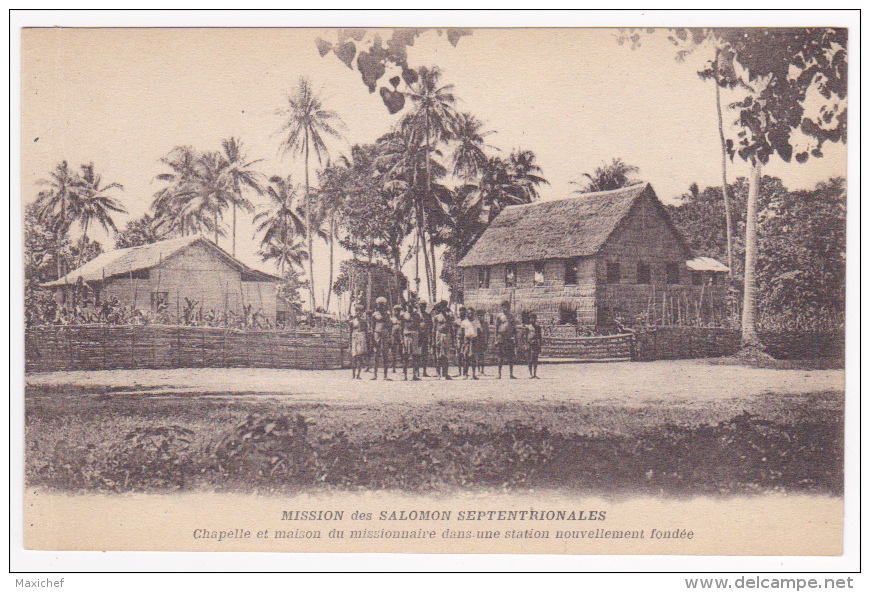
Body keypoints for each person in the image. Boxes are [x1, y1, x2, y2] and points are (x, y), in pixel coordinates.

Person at [370, 297, 391, 381]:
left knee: (385, 354)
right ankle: (375, 374)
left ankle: (385, 375)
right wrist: (372, 338)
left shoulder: (387, 314)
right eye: (379, 305)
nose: (381, 306)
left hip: (385, 334)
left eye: (382, 305)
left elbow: (389, 326)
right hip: (377, 334)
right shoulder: (374, 314)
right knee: (376, 354)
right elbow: (372, 326)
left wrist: (389, 337)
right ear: (377, 305)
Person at [495, 300, 517, 379]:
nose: (505, 308)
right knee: (500, 356)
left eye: (507, 307)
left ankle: (511, 374)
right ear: (502, 307)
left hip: (509, 338)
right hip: (501, 337)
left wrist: (515, 338)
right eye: (504, 307)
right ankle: (499, 374)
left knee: (510, 356)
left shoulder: (511, 316)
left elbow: (514, 328)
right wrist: (496, 339)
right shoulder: (499, 316)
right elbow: (496, 328)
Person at [432, 301, 453, 380]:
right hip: (439, 335)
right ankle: (438, 374)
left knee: (446, 355)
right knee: (438, 355)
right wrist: (433, 341)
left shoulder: (449, 316)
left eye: (445, 307)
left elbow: (451, 328)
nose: (443, 308)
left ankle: (445, 373)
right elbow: (434, 329)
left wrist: (452, 340)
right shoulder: (437, 317)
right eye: (442, 307)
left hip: (446, 335)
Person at [401, 303, 422, 381]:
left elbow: (419, 327)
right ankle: (405, 375)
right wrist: (401, 339)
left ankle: (414, 375)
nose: (409, 307)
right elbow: (401, 327)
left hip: (415, 335)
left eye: (411, 306)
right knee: (405, 355)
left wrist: (420, 338)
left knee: (415, 356)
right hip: (406, 335)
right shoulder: (403, 316)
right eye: (408, 306)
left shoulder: (417, 316)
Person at [350, 303, 368, 379]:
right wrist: (350, 343)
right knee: (354, 357)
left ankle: (358, 374)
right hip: (354, 338)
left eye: (360, 311)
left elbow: (366, 331)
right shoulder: (352, 321)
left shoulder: (364, 321)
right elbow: (350, 332)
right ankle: (353, 374)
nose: (358, 313)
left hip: (361, 338)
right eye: (357, 311)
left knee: (360, 357)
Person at [460, 308, 479, 379]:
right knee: (466, 358)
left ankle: (473, 374)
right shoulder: (464, 322)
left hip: (474, 340)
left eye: (471, 313)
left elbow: (479, 332)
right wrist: (462, 343)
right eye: (468, 313)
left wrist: (479, 342)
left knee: (474, 357)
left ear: (474, 314)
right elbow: (462, 333)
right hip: (467, 341)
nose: (469, 315)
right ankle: (465, 374)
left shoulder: (476, 322)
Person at [472, 307, 489, 375]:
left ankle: (482, 370)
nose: (480, 317)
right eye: (478, 315)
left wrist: (486, 341)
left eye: (481, 315)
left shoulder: (485, 324)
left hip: (483, 341)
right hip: (477, 341)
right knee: (478, 356)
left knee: (483, 356)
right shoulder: (475, 323)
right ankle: (478, 370)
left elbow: (487, 333)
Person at [418, 301, 432, 377]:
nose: (422, 307)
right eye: (421, 306)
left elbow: (430, 326)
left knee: (424, 354)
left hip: (425, 335)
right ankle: (417, 371)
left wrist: (429, 336)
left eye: (423, 306)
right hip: (418, 335)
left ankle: (424, 371)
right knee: (417, 354)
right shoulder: (417, 315)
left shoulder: (427, 315)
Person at [527, 312, 542, 379]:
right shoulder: (528, 327)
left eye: (534, 318)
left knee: (535, 359)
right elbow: (525, 336)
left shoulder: (538, 327)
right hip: (529, 344)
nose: (532, 319)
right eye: (531, 318)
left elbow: (540, 337)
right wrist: (525, 344)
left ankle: (535, 373)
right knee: (529, 359)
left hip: (535, 344)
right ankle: (530, 373)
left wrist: (540, 345)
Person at [390, 304, 404, 373]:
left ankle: (404, 368)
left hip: (401, 336)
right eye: (395, 311)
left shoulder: (402, 318)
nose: (397, 312)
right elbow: (389, 328)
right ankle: (393, 368)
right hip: (394, 336)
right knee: (394, 352)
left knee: (402, 352)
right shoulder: (392, 319)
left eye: (398, 311)